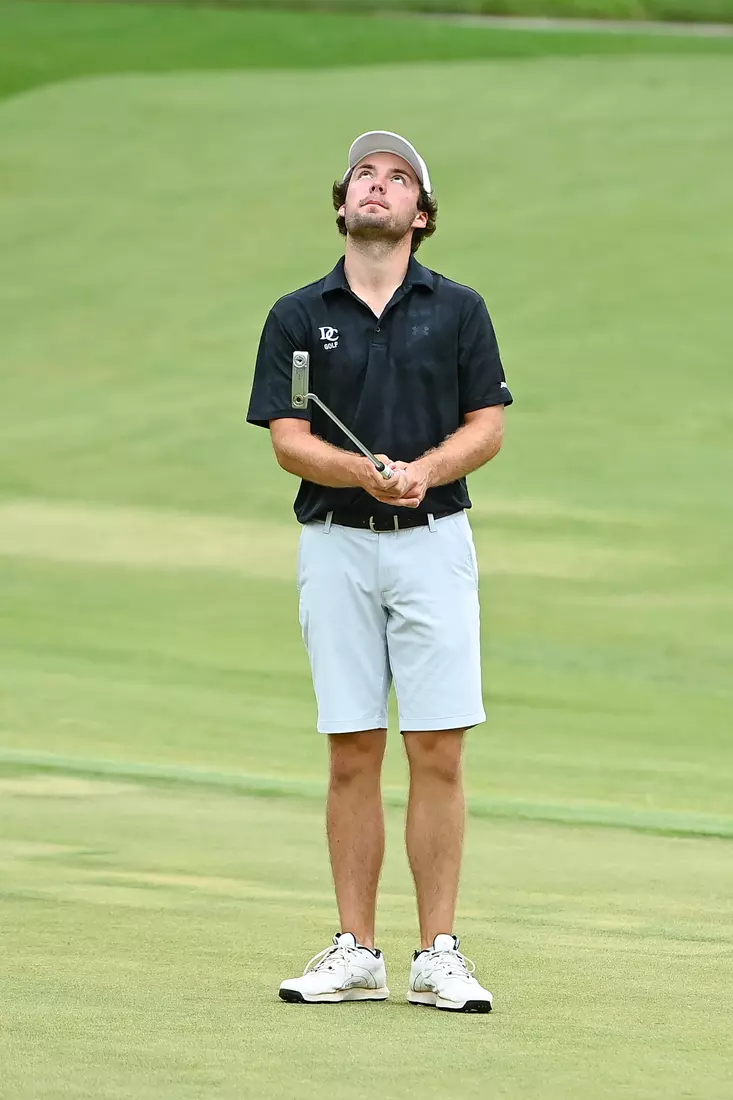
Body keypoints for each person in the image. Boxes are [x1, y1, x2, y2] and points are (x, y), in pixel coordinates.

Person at [247, 131, 512, 1013]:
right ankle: (354, 949)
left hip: (435, 539)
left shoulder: (459, 307)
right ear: (342, 203)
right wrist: (363, 471)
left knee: (436, 746)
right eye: (365, 173)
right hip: (335, 542)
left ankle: (438, 952)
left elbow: (488, 424)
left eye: (398, 178)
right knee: (351, 747)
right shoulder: (295, 314)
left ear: (419, 216)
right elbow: (289, 440)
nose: (378, 184)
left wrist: (427, 470)